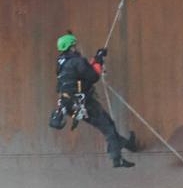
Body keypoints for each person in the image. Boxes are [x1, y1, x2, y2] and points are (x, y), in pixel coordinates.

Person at [54, 32, 138, 168]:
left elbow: (83, 70)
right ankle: (117, 159)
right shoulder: (76, 61)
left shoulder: (62, 62)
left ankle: (129, 145)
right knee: (108, 127)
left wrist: (97, 58)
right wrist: (99, 60)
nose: (76, 47)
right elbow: (93, 76)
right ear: (71, 46)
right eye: (74, 45)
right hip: (83, 103)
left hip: (69, 104)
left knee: (106, 125)